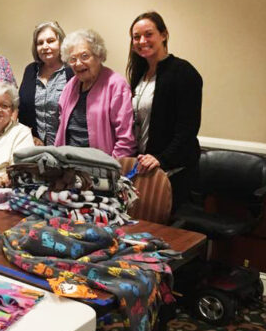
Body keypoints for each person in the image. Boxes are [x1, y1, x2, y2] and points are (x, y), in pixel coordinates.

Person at [127, 11, 203, 208]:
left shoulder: (183, 72)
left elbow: (188, 128)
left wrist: (161, 159)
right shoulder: (139, 74)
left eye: (148, 34)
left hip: (174, 171)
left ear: (164, 35)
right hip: (145, 168)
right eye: (136, 37)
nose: (142, 41)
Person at [54, 29, 136, 158]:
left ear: (98, 55)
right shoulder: (70, 86)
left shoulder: (116, 85)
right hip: (69, 166)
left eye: (85, 56)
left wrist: (110, 170)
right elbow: (61, 129)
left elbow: (126, 141)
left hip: (101, 168)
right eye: (72, 59)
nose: (78, 63)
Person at [18, 21, 73, 146]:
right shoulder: (30, 71)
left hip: (67, 149)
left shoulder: (72, 71)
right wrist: (30, 137)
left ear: (61, 43)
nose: (45, 46)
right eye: (40, 43)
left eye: (51, 41)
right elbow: (23, 110)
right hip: (35, 149)